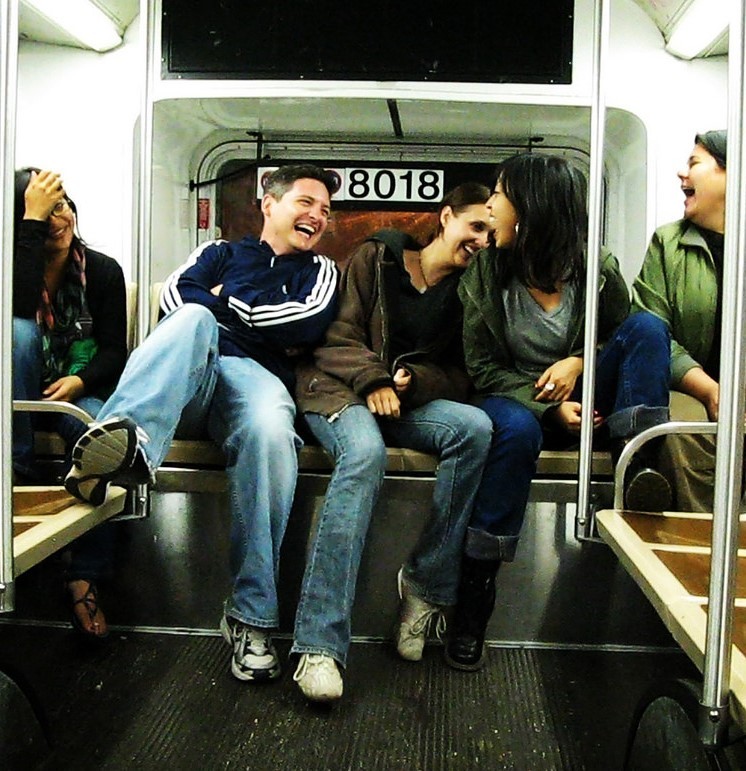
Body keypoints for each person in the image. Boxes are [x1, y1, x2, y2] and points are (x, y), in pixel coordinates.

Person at [65, 164, 340, 681]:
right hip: (191, 371)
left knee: (269, 429)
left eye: (325, 211)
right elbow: (175, 301)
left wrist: (221, 301)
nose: (317, 216)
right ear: (269, 203)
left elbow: (304, 320)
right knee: (191, 321)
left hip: (253, 378)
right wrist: (218, 309)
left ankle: (251, 618)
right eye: (306, 202)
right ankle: (126, 447)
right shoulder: (218, 251)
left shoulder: (320, 271)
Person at [449, 153, 672, 671]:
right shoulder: (486, 274)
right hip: (517, 401)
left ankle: (634, 465)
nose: (489, 206)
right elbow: (482, 368)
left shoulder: (596, 271)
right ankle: (476, 593)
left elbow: (627, 337)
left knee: (649, 328)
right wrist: (551, 407)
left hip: (591, 400)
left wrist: (578, 363)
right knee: (516, 431)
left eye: (499, 195)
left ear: (531, 208)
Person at [291, 183, 495, 703]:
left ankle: (423, 589)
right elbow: (335, 337)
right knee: (363, 454)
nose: (483, 241)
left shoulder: (471, 293)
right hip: (340, 389)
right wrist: (375, 379)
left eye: (492, 234)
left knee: (474, 429)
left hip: (403, 402)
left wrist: (413, 381)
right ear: (446, 217)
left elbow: (462, 374)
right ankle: (319, 645)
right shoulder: (375, 257)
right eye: (475, 226)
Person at [13, 167, 128, 640]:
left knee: (102, 437)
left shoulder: (102, 270)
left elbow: (113, 352)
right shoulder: (13, 266)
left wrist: (79, 382)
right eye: (43, 211)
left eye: (61, 205)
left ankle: (86, 572)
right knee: (17, 331)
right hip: (18, 396)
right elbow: (17, 309)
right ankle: (15, 466)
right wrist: (31, 227)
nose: (57, 219)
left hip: (79, 390)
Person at [631, 130, 727, 512]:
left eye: (694, 163)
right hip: (691, 387)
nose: (681, 174)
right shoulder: (668, 244)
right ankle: (698, 554)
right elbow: (653, 330)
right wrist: (708, 389)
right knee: (680, 429)